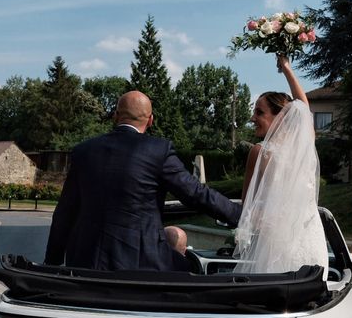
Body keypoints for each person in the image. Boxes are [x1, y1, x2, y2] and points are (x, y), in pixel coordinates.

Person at [44, 90, 241, 271]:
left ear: (115, 116)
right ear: (151, 120)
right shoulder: (158, 151)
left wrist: (51, 262)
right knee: (193, 270)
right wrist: (240, 216)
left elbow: (65, 212)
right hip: (139, 262)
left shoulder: (83, 151)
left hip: (84, 262)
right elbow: (196, 194)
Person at [233, 55, 327, 276]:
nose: (252, 117)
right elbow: (303, 107)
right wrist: (287, 68)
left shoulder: (260, 152)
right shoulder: (304, 147)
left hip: (275, 245)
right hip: (310, 242)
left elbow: (248, 204)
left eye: (259, 112)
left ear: (280, 117)